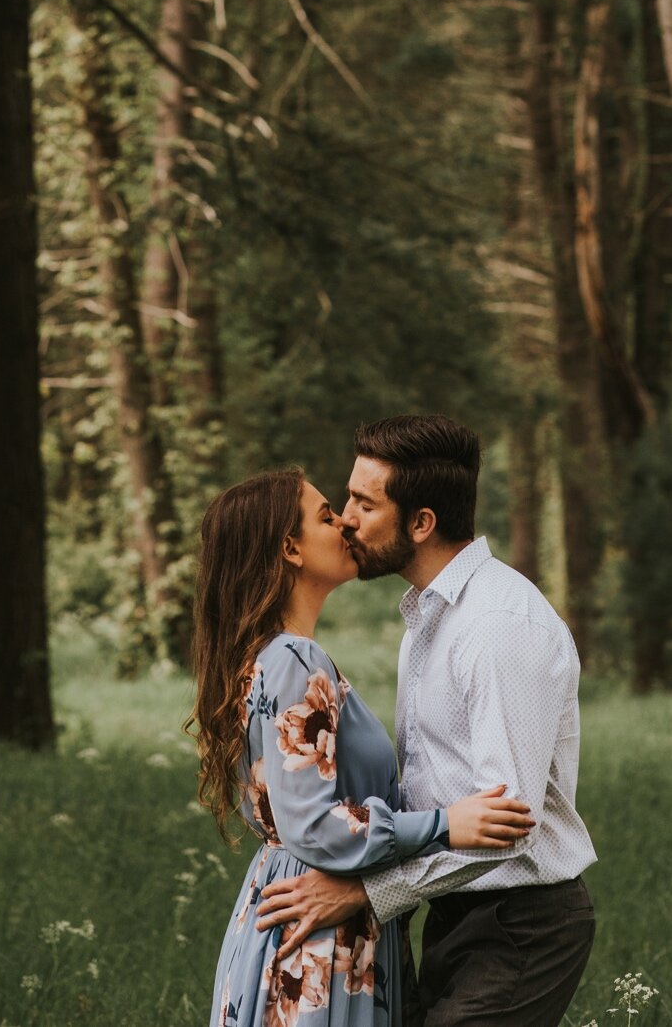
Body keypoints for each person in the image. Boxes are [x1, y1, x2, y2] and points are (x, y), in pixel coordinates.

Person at [255, 416, 596, 1027]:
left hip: (520, 922)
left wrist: (366, 895)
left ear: (421, 522)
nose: (347, 519)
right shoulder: (428, 620)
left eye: (364, 503)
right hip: (450, 909)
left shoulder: (498, 627)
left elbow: (508, 822)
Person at [192, 468, 536, 1027]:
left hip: (297, 906)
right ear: (290, 548)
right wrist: (445, 824)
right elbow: (314, 827)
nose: (347, 523)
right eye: (327, 515)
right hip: (316, 936)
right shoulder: (297, 661)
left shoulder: (270, 657)